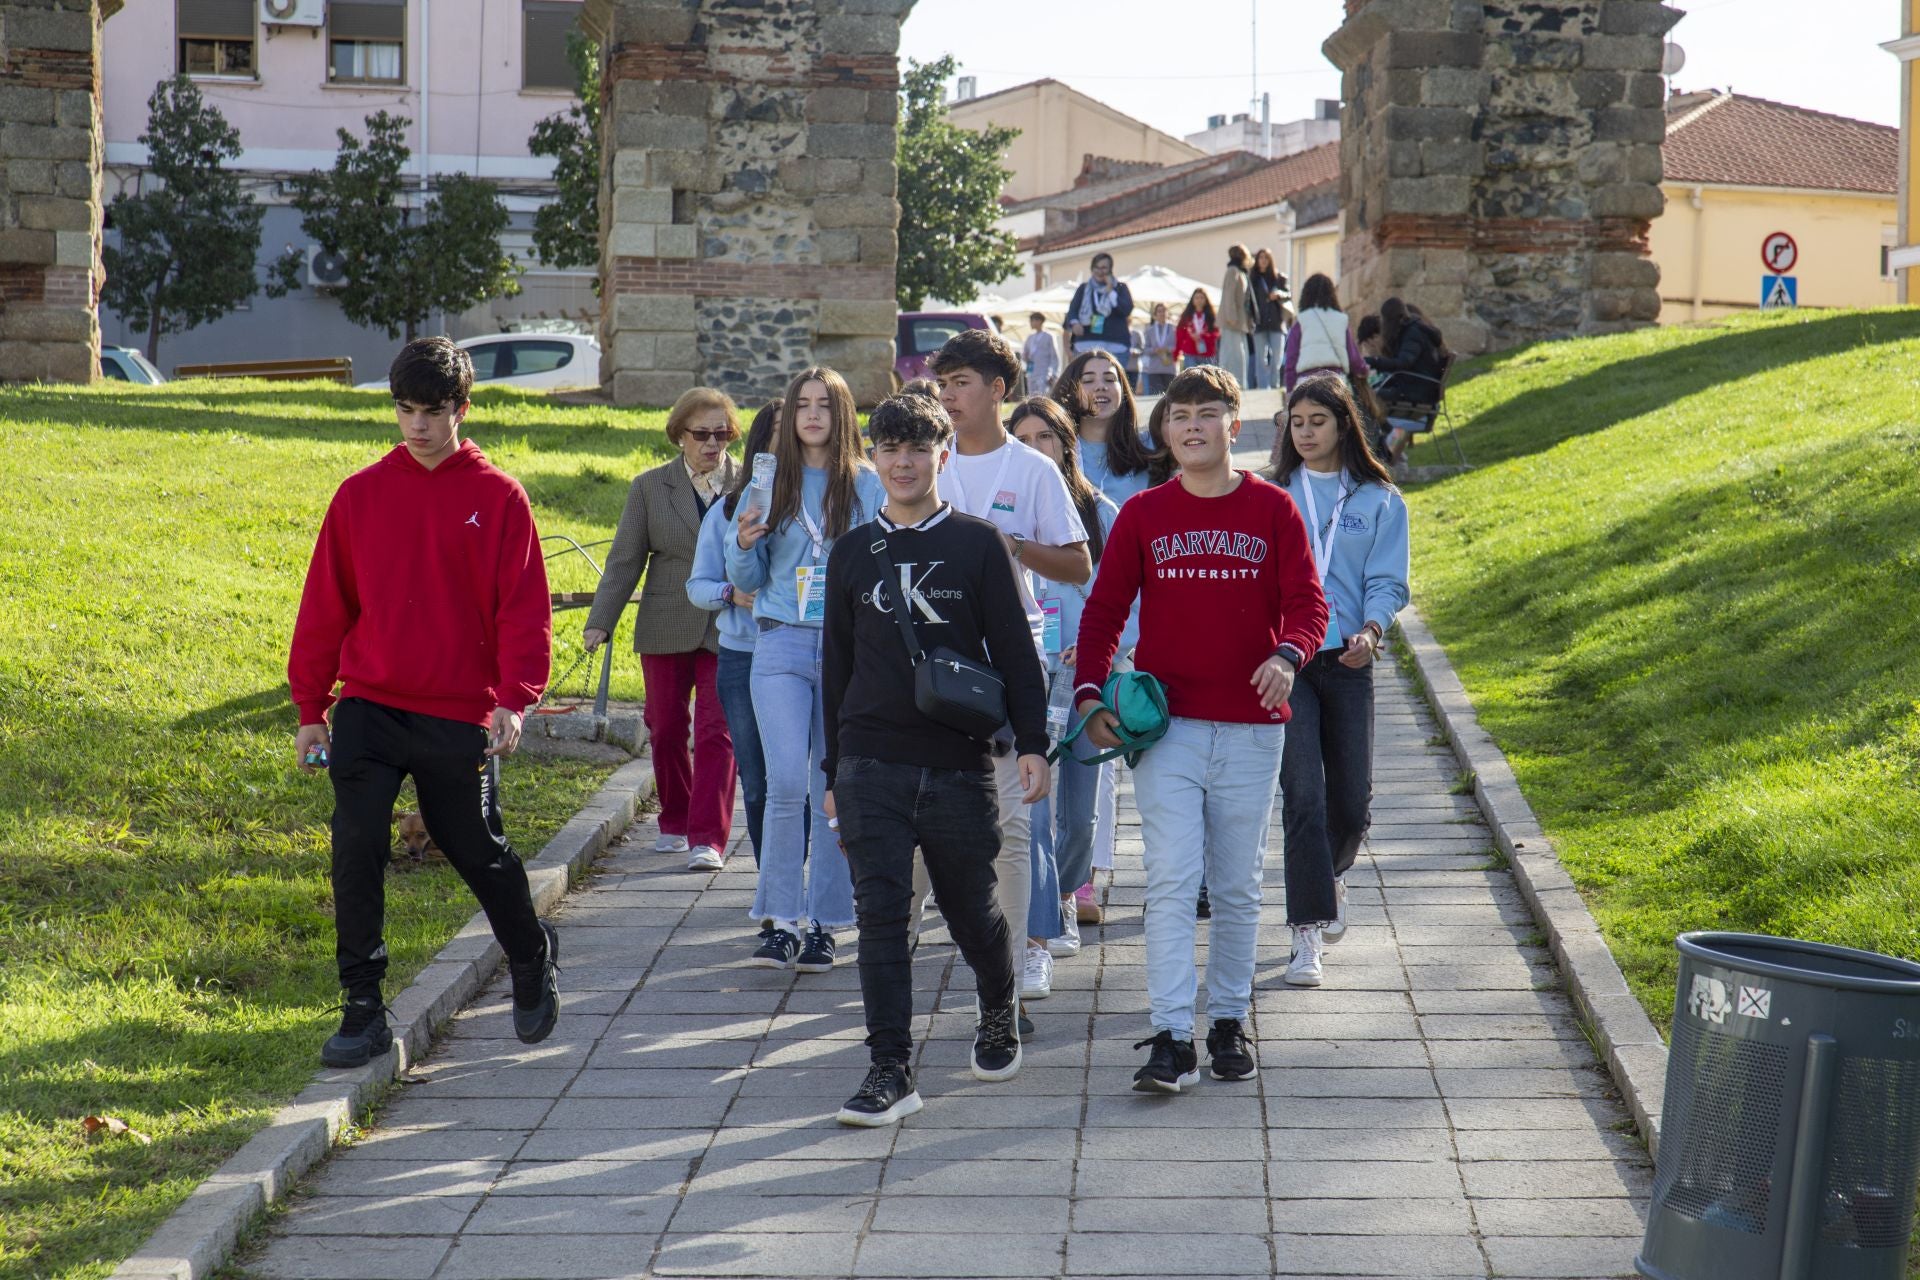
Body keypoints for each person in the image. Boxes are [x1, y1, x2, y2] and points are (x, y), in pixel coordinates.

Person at [290, 336, 559, 1067]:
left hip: (456, 710)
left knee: (474, 847)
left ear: (461, 409)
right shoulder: (360, 495)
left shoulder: (499, 496)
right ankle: (362, 1006)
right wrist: (312, 708)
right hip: (371, 705)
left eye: (432, 412)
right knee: (355, 843)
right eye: (405, 410)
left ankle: (531, 951)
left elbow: (521, 610)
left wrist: (513, 699)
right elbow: (324, 607)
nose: (417, 427)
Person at [1072, 364, 1328, 1093]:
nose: (1192, 426)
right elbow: (1103, 610)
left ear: (1234, 422)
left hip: (1251, 726)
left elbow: (1309, 605)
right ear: (1163, 429)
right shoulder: (1145, 516)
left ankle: (1226, 1021)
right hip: (1170, 728)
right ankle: (1169, 1035)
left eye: (1207, 413)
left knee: (1239, 885)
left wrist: (1288, 654)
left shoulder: (1273, 510)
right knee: (1174, 878)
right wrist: (1091, 696)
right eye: (1178, 414)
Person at [822, 392, 1049, 1126]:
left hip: (957, 761)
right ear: (873, 460)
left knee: (969, 911)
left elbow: (1016, 655)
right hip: (869, 762)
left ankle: (997, 1000)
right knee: (881, 915)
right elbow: (835, 667)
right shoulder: (853, 553)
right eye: (889, 449)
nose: (904, 462)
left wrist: (1033, 745)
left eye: (918, 449)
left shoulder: (980, 544)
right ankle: (890, 1068)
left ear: (942, 457)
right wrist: (832, 773)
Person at [933, 327, 1090, 1005]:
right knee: (939, 815)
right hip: (936, 659)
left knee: (1019, 818)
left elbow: (1078, 563)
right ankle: (968, 937)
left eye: (960, 383)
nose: (948, 396)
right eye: (941, 384)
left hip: (1010, 660)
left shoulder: (1032, 469)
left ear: (999, 390)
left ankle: (1031, 947)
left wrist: (1012, 546)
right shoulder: (930, 462)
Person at [726, 367, 886, 971]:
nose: (813, 415)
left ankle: (825, 922)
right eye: (803, 405)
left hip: (848, 652)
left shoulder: (868, 485)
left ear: (842, 415)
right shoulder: (769, 482)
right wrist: (743, 544)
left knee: (834, 792)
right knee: (787, 783)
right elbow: (746, 581)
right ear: (789, 416)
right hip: (779, 646)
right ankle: (780, 921)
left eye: (825, 405)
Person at [1267, 373, 1409, 985]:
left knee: (1351, 804)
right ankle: (1306, 934)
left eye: (1317, 421)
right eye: (1295, 423)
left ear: (1344, 424)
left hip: (1350, 661)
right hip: (1287, 663)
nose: (1305, 432)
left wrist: (1372, 631)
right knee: (1303, 796)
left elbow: (1388, 579)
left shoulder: (1379, 499)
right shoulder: (1272, 495)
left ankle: (1332, 875)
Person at [585, 388, 741, 871]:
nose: (712, 443)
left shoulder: (752, 484)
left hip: (730, 622)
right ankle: (675, 818)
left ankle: (708, 837)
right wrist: (600, 622)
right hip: (665, 622)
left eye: (721, 433)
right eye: (702, 434)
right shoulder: (650, 487)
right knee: (667, 726)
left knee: (719, 732)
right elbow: (624, 560)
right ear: (679, 436)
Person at [1006, 396, 1135, 957]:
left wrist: (1098, 647)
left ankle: (1064, 889)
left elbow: (1134, 603)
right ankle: (1036, 914)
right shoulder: (1001, 512)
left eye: (1046, 439)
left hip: (1087, 680)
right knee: (1029, 805)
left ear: (1067, 445)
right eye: (1024, 440)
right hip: (1024, 676)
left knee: (1079, 813)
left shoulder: (1101, 511)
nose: (1035, 450)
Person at [686, 399, 778, 866]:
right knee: (757, 780)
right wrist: (730, 593)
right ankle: (772, 883)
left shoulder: (831, 504)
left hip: (813, 652)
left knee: (808, 780)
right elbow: (697, 586)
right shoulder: (727, 510)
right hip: (742, 655)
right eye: (780, 432)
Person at [1052, 348, 1155, 508]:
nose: (1101, 386)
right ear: (1070, 391)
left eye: (1109, 379)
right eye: (1088, 380)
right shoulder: (1054, 448)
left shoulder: (1148, 445)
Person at [1371, 297, 1450, 466]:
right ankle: (1391, 456)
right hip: (1421, 391)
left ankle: (1384, 457)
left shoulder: (1412, 333)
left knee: (1368, 400)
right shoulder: (1416, 330)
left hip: (1415, 393)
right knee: (1372, 399)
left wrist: (1374, 361)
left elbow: (1404, 362)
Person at [1064, 252, 1134, 361]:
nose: (1100, 271)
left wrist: (1110, 290)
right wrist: (1075, 323)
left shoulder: (1120, 288)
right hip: (1086, 344)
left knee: (1112, 377)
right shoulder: (1083, 288)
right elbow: (1072, 311)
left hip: (1115, 346)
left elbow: (1126, 309)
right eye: (1096, 268)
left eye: (1104, 268)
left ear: (1110, 270)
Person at [1249, 248, 1292, 391]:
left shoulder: (1279, 278)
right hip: (1259, 323)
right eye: (1260, 257)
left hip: (1277, 323)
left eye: (1266, 257)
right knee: (1261, 359)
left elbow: (1288, 294)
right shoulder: (1253, 279)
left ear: (1270, 260)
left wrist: (1278, 294)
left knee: (1277, 357)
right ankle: (1262, 387)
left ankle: (1274, 385)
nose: (1263, 260)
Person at [1216, 245, 1256, 388]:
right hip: (1232, 322)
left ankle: (1239, 384)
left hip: (1240, 323)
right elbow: (1229, 296)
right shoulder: (1232, 271)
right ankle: (1230, 384)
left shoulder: (1241, 272)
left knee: (1239, 356)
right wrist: (1231, 317)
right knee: (1232, 356)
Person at [1173, 288, 1220, 370]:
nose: (1199, 300)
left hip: (1207, 354)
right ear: (1193, 300)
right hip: (1190, 354)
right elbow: (1179, 336)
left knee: (1208, 379)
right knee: (1192, 379)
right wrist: (1175, 354)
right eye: (1197, 298)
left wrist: (1202, 336)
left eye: (1202, 298)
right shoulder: (1186, 317)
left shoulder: (1211, 316)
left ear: (1206, 300)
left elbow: (1216, 334)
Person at [1140, 303, 1177, 395]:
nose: (1162, 313)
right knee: (1155, 397)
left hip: (1169, 368)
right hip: (1154, 369)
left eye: (1164, 311)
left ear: (1167, 313)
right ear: (1155, 315)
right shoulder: (1150, 330)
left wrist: (1168, 349)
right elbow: (1145, 349)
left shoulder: (1174, 329)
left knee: (1170, 397)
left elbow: (1178, 347)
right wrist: (1154, 350)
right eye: (1159, 311)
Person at [1021, 312, 1060, 398]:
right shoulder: (1030, 337)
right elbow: (1024, 354)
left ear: (1039, 321)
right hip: (1031, 371)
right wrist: (1025, 357)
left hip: (1044, 372)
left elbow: (1054, 357)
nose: (1030, 323)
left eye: (1032, 320)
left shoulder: (1049, 336)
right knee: (1032, 396)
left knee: (1043, 396)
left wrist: (1053, 373)